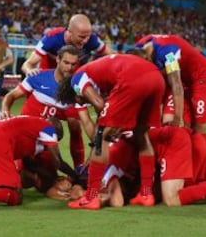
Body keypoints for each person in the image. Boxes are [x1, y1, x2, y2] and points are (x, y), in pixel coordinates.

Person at [57, 53, 165, 210]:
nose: (81, 103)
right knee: (141, 135)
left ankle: (91, 197)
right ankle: (146, 193)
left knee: (101, 138)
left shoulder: (77, 79)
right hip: (156, 78)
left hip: (132, 79)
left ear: (75, 95)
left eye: (77, 101)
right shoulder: (99, 74)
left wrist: (108, 128)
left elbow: (99, 104)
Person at [136, 34, 206, 183]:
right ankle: (180, 172)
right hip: (181, 80)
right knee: (172, 127)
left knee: (198, 127)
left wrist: (178, 117)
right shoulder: (140, 47)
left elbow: (176, 85)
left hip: (201, 77)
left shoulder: (169, 53)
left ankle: (201, 177)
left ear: (148, 59)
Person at [0, 45, 85, 168]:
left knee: (47, 181)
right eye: (66, 63)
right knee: (14, 176)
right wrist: (5, 110)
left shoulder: (74, 90)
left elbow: (76, 132)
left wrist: (78, 166)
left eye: (73, 64)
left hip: (45, 144)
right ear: (58, 60)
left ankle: (79, 168)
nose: (69, 68)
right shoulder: (38, 77)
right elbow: (11, 96)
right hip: (25, 138)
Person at [21, 13, 115, 76]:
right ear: (69, 32)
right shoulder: (52, 38)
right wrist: (30, 72)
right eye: (81, 37)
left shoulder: (91, 39)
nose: (85, 41)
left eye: (88, 36)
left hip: (71, 82)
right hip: (50, 77)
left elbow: (114, 55)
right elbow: (27, 64)